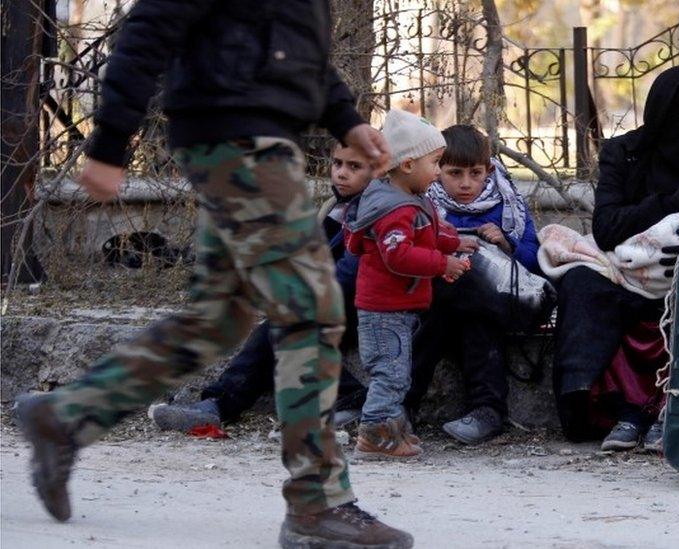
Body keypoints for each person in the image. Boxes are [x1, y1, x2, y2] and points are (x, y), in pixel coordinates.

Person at [13, 1, 414, 547]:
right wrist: (108, 142)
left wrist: (347, 119)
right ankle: (316, 503)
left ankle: (67, 417)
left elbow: (298, 47)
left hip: (255, 143)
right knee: (311, 310)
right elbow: (147, 28)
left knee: (218, 320)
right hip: (240, 142)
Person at [551, 66, 679, 452]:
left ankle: (669, 409)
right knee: (581, 283)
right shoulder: (626, 153)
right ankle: (601, 407)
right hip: (629, 267)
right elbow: (606, 226)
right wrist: (671, 203)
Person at [149, 143, 372, 433]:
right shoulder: (334, 209)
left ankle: (346, 396)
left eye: (354, 167)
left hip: (364, 306)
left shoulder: (372, 211)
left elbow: (350, 274)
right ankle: (216, 406)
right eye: (338, 163)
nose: (342, 174)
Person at [345, 109, 471, 459]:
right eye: (436, 162)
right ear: (408, 165)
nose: (438, 171)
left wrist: (452, 242)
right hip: (383, 310)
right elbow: (398, 255)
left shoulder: (404, 200)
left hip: (394, 308)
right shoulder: (395, 209)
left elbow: (426, 232)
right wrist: (441, 263)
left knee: (396, 373)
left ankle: (393, 433)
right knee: (391, 375)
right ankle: (374, 435)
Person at [405, 124, 542, 445]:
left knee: (475, 312)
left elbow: (534, 259)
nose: (466, 184)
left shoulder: (508, 204)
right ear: (437, 170)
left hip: (494, 303)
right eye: (455, 173)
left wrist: (508, 243)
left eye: (475, 173)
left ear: (489, 170)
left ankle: (487, 410)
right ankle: (403, 406)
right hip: (435, 302)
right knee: (446, 308)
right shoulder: (423, 203)